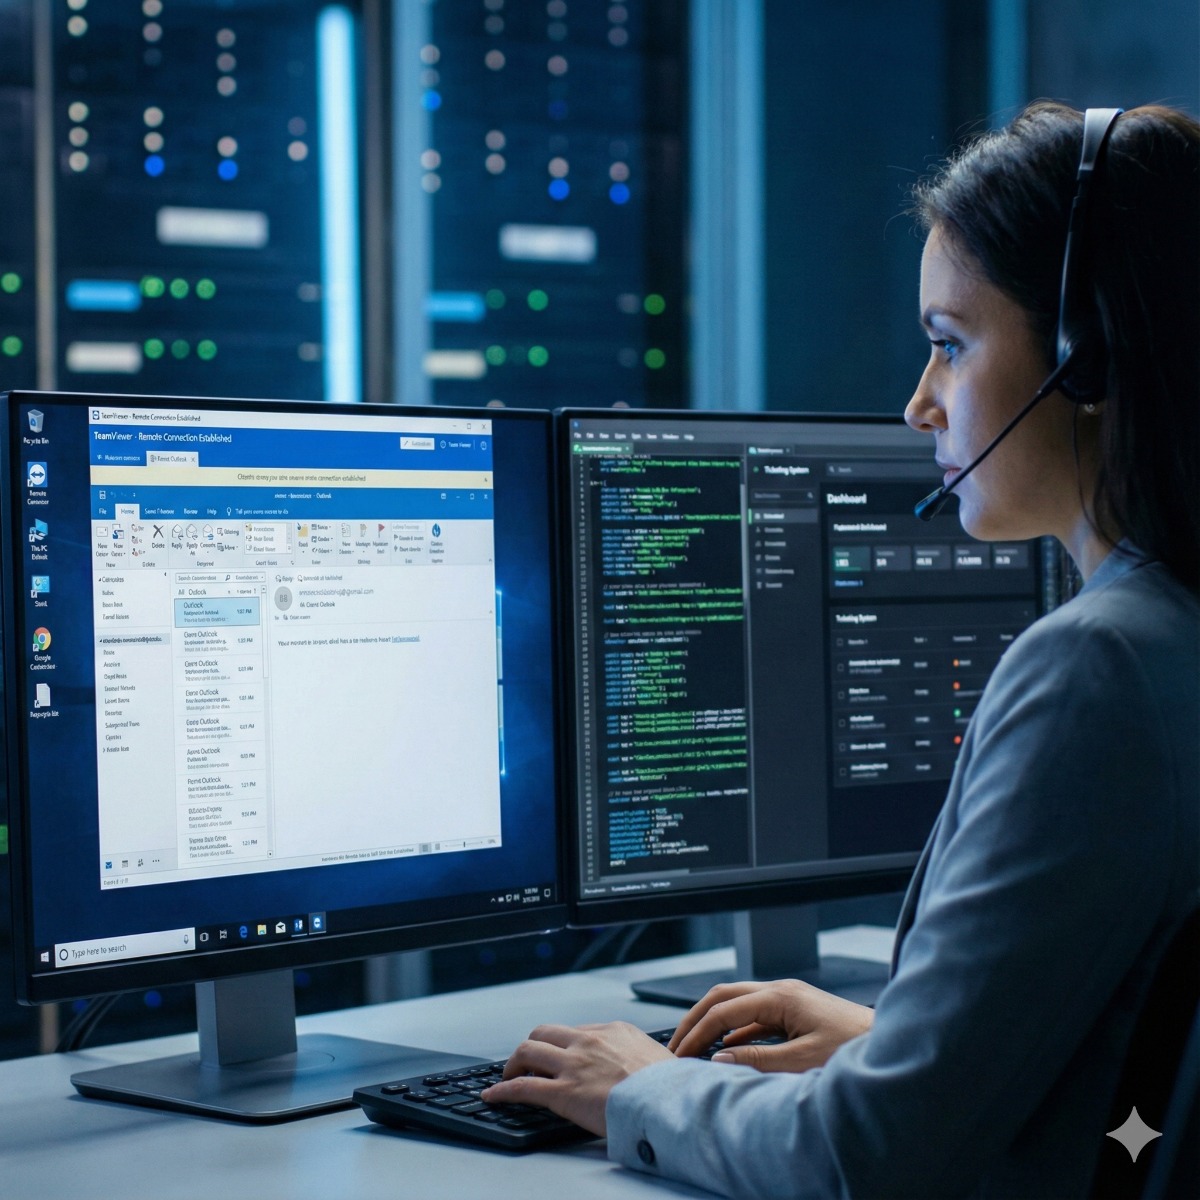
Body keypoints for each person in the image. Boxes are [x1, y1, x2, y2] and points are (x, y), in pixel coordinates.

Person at [481, 101, 1200, 1197]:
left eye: (949, 347)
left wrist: (641, 1089)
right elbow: (1132, 1043)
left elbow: (872, 1154)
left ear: (1081, 354)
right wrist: (888, 1039)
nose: (918, 405)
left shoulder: (1098, 668)